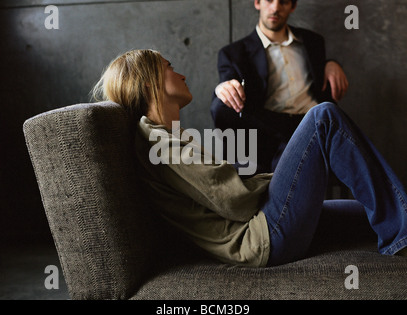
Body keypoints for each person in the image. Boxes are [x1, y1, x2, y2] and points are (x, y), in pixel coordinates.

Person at [92, 49, 407, 268]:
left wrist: (290, 179)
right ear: (150, 84)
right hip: (262, 239)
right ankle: (403, 236)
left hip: (263, 228)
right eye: (170, 67)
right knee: (322, 117)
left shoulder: (165, 136)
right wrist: (287, 177)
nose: (182, 73)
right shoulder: (158, 142)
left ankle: (399, 224)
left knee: (360, 212)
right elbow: (239, 201)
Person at [211, 0, 349, 174]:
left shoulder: (313, 41)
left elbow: (320, 70)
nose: (275, 8)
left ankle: (388, 199)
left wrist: (331, 63)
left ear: (293, 6)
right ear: (257, 3)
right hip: (269, 129)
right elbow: (228, 85)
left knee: (352, 145)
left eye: (283, 2)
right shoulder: (233, 53)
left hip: (312, 123)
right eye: (269, 0)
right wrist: (221, 88)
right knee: (220, 106)